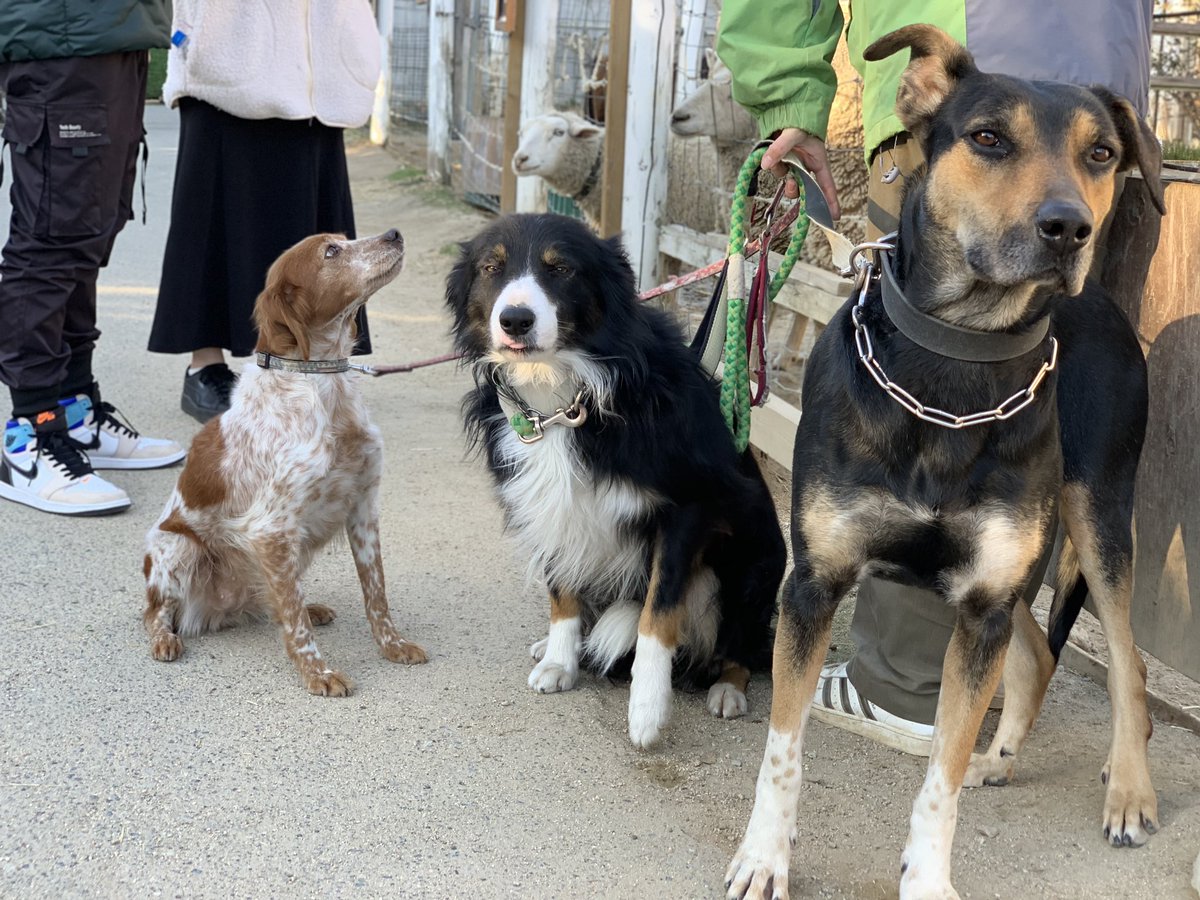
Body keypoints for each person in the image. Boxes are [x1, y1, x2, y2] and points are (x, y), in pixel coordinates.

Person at [717, 0, 1162, 755]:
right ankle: (974, 678)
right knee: (966, 464)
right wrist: (1098, 146)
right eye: (992, 144)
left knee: (1018, 485)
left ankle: (902, 686)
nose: (1063, 212)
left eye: (1100, 163)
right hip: (1100, 55)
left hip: (991, 49)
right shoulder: (1079, 153)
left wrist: (792, 97)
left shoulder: (976, 119)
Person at [148, 0, 381, 423]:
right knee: (216, 217)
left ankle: (306, 367)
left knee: (314, 230)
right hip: (230, 49)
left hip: (320, 61)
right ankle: (206, 365)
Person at [0, 1, 186, 517]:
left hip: (113, 30)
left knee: (89, 232)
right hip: (60, 35)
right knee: (51, 239)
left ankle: (74, 409)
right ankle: (30, 435)